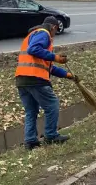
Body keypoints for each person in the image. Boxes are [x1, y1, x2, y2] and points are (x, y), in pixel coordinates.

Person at [15, 16, 77, 150]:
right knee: (52, 105)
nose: (54, 35)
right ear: (54, 27)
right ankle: (51, 136)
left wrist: (67, 75)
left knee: (31, 111)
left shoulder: (32, 35)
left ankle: (30, 141)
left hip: (22, 80)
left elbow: (48, 67)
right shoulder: (44, 33)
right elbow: (34, 50)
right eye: (56, 31)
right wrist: (55, 57)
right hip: (35, 79)